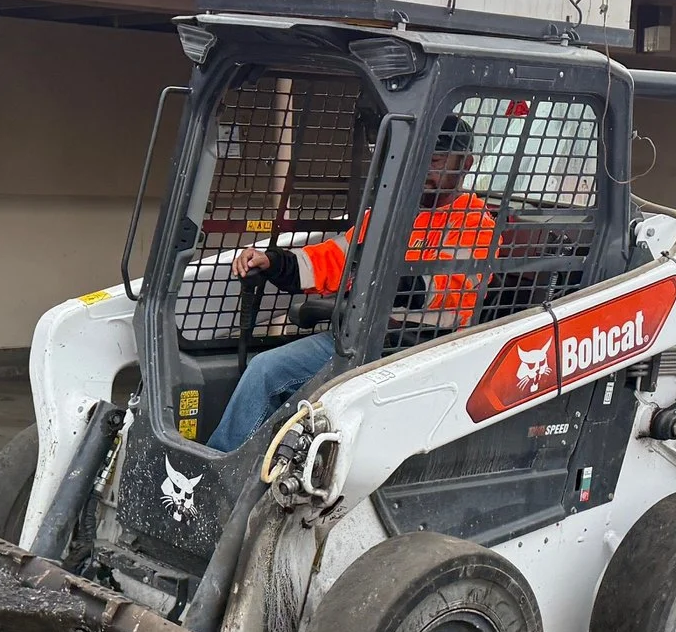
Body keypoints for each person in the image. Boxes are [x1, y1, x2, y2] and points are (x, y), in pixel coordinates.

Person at [207, 112, 494, 451]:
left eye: (439, 157)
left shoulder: (476, 225)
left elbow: (442, 296)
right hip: (357, 340)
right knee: (265, 368)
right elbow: (332, 260)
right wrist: (273, 260)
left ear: (467, 163)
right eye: (423, 156)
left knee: (281, 382)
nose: (428, 167)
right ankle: (221, 467)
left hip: (413, 353)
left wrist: (372, 279)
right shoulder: (388, 214)